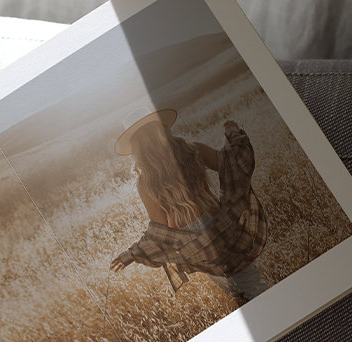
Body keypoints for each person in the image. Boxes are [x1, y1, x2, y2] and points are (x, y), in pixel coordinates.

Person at [109, 107, 269, 302]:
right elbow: (231, 164)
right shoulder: (192, 150)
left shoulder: (146, 182)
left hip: (193, 246)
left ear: (136, 146)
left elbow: (158, 229)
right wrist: (233, 134)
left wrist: (132, 253)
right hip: (222, 225)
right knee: (252, 286)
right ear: (163, 129)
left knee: (239, 293)